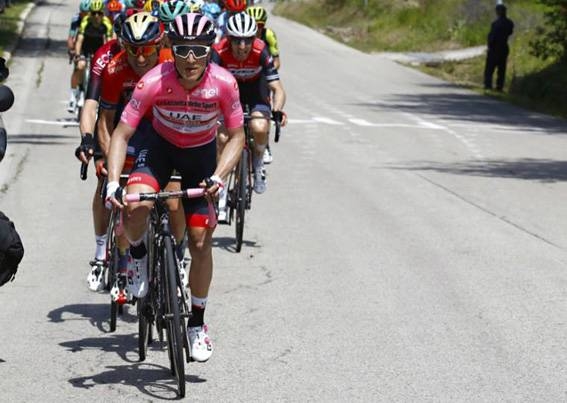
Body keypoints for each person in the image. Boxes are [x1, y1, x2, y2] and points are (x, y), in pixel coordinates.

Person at [105, 13, 245, 361]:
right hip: (159, 149)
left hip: (199, 158)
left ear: (209, 50)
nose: (191, 59)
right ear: (172, 49)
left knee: (200, 241)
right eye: (182, 50)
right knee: (136, 206)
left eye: (199, 51)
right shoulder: (153, 80)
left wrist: (219, 176)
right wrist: (111, 183)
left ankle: (197, 323)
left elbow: (238, 136)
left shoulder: (224, 84)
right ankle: (137, 255)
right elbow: (121, 134)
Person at [211, 12, 286, 197]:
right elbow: (210, 86)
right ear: (229, 39)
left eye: (247, 40)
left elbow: (278, 89)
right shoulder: (219, 52)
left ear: (255, 38)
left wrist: (277, 110)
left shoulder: (261, 51)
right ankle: (220, 186)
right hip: (230, 93)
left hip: (255, 91)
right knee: (221, 138)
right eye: (236, 41)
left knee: (259, 127)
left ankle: (258, 164)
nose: (242, 47)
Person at [69, 0, 113, 113]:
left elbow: (109, 42)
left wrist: (109, 58)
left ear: (103, 13)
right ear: (90, 14)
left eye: (99, 13)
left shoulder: (107, 23)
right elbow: (79, 40)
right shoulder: (85, 21)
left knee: (103, 72)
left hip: (98, 50)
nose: (96, 16)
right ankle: (73, 96)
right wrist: (78, 55)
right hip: (85, 48)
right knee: (80, 66)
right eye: (94, 13)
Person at [484, 3, 514, 92]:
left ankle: (488, 85)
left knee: (489, 68)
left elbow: (492, 36)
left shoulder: (495, 24)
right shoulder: (509, 23)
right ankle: (499, 86)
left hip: (494, 48)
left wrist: (490, 45)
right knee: (501, 69)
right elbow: (510, 32)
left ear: (498, 12)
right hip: (504, 47)